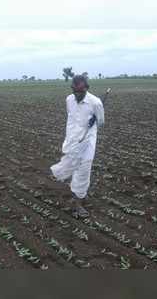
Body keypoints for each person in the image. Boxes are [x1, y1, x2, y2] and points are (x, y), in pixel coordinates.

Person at [50, 75, 104, 218]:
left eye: (80, 91)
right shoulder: (69, 100)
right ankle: (80, 193)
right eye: (74, 91)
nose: (77, 94)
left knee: (84, 168)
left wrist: (93, 121)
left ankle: (78, 203)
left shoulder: (96, 103)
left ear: (87, 88)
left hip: (87, 141)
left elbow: (101, 122)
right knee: (72, 165)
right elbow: (71, 118)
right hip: (72, 139)